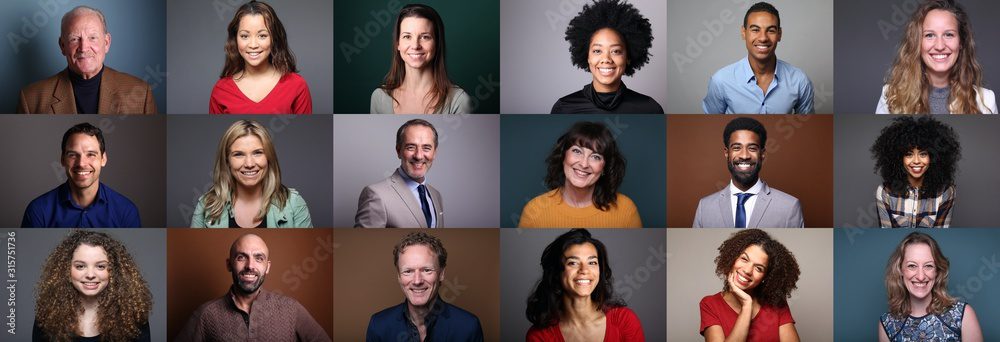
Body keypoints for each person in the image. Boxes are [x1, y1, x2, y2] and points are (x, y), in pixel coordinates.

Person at [176, 234, 330, 341]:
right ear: (229, 264)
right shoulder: (205, 315)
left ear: (267, 267)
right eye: (241, 257)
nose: (250, 266)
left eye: (259, 258)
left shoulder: (292, 309)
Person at [17, 6, 156, 114]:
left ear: (106, 43)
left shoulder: (141, 92)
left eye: (92, 38)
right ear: (62, 46)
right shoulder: (31, 98)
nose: (83, 48)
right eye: (74, 39)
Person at [876, 0, 996, 114]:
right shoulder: (890, 95)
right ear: (917, 42)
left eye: (949, 34)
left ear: (961, 43)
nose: (939, 46)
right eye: (929, 35)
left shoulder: (986, 100)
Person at [526, 229, 644, 341]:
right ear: (556, 272)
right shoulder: (540, 336)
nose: (584, 270)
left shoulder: (625, 321)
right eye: (573, 263)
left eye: (592, 262)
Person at [33, 230, 152, 341]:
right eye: (80, 266)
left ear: (115, 271)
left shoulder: (134, 318)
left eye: (100, 266)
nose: (90, 275)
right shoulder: (48, 316)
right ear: (66, 270)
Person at [518, 121, 642, 228]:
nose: (584, 164)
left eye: (595, 156)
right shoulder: (534, 211)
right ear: (563, 156)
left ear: (605, 167)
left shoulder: (626, 210)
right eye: (577, 151)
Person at [191, 120, 312, 228]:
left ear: (269, 158)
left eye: (258, 153)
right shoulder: (206, 205)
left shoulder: (294, 204)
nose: (249, 163)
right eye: (238, 154)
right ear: (227, 161)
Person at [551, 0, 663, 114]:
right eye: (597, 51)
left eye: (616, 51)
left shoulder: (649, 109)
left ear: (628, 57)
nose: (606, 59)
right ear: (587, 56)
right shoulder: (564, 108)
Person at [366, 232, 484, 341]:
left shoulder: (468, 327)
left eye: (427, 270)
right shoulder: (379, 325)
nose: (417, 281)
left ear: (441, 274)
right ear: (399, 276)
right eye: (408, 271)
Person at [702, 2, 814, 114]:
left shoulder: (800, 81)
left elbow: (806, 127)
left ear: (779, 34)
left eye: (771, 30)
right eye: (755, 30)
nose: (763, 38)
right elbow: (711, 126)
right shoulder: (721, 81)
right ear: (743, 33)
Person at [22, 123, 141, 228]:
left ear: (103, 159)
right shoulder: (38, 210)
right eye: (73, 155)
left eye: (91, 154)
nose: (81, 163)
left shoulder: (126, 211)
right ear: (62, 159)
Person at [693, 117, 803, 228]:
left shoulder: (789, 207)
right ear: (726, 153)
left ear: (762, 153)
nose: (744, 156)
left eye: (752, 148)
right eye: (736, 148)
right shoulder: (705, 207)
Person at [209, 1, 312, 114]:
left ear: (274, 38)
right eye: (244, 36)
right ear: (235, 39)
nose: (253, 45)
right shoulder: (221, 90)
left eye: (262, 36)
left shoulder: (297, 85)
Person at [878, 232, 983, 341]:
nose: (920, 276)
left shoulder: (962, 315)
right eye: (912, 266)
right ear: (900, 270)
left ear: (937, 271)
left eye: (928, 266)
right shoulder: (887, 323)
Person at [700, 229, 800, 341]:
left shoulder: (777, 303)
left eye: (758, 268)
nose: (748, 270)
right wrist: (747, 306)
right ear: (732, 258)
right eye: (744, 259)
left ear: (766, 277)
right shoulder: (710, 304)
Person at [370, 4, 471, 114]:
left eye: (425, 37)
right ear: (398, 43)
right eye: (407, 36)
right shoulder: (379, 98)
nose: (415, 45)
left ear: (437, 44)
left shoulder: (458, 101)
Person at [871, 116, 960, 228]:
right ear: (899, 158)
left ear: (933, 157)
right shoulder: (885, 192)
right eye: (909, 154)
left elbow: (941, 231)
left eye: (923, 154)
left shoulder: (946, 192)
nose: (916, 161)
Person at [355, 119, 444, 228]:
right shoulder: (376, 195)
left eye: (426, 148)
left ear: (434, 153)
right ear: (398, 151)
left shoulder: (436, 195)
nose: (419, 156)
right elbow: (366, 243)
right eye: (411, 147)